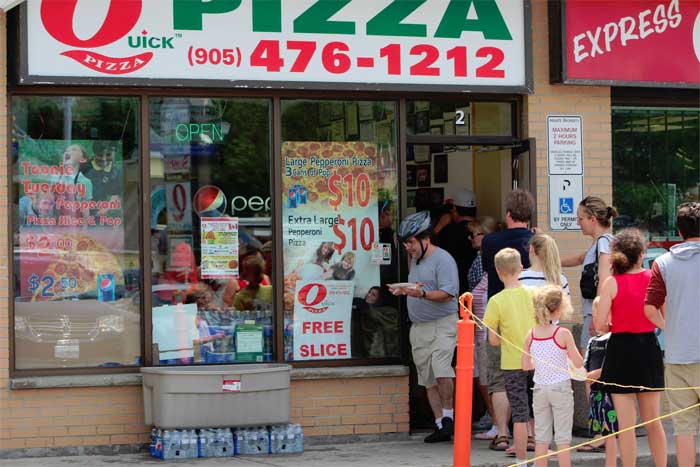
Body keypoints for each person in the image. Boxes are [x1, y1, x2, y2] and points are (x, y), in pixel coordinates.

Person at [595, 229, 666, 467]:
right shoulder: (653, 278)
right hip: (647, 348)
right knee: (653, 420)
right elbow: (664, 316)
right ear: (641, 254)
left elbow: (600, 324)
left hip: (620, 350)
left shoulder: (611, 282)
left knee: (626, 426)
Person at [390, 211, 459, 443]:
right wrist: (404, 290)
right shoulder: (415, 259)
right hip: (419, 326)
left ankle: (449, 416)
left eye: (410, 242)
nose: (407, 247)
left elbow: (448, 293)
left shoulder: (443, 259)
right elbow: (418, 287)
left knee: (441, 368)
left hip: (442, 323)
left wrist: (421, 294)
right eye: (405, 243)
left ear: (425, 239)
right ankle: (441, 425)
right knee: (427, 377)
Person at [645, 202, 700, 467]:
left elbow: (649, 309)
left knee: (683, 430)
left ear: (679, 231)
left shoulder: (663, 263)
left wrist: (672, 327)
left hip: (678, 357)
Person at [480, 189, 535, 452]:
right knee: (531, 383)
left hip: (500, 315)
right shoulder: (537, 241)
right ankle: (532, 436)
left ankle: (502, 433)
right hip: (529, 319)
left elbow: (485, 270)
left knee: (499, 379)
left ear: (508, 214)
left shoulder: (491, 242)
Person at [522, 285, 583, 467]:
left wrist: (540, 363)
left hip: (540, 388)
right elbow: (578, 363)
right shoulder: (563, 333)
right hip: (560, 387)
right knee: (563, 438)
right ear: (558, 309)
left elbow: (525, 366)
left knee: (541, 438)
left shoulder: (530, 334)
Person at [561, 196, 617, 350]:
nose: (578, 223)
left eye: (580, 219)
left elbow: (604, 280)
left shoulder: (604, 243)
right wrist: (551, 260)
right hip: (595, 313)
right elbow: (580, 258)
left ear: (593, 219)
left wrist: (597, 317)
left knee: (588, 359)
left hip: (596, 313)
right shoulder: (599, 243)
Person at [465, 217, 498, 436]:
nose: (470, 239)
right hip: (478, 329)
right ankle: (493, 418)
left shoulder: (488, 264)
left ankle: (497, 423)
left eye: (474, 234)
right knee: (481, 377)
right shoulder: (479, 261)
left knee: (487, 379)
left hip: (486, 330)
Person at [579, 297, 618, 466]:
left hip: (609, 391)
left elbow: (614, 365)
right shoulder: (592, 341)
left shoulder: (614, 339)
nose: (596, 320)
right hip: (595, 390)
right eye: (594, 316)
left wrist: (596, 373)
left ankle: (607, 444)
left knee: (609, 422)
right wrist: (581, 373)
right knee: (596, 417)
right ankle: (597, 437)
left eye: (599, 315)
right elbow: (586, 364)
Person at [435, 189, 478, 294]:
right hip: (480, 291)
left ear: (454, 209)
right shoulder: (484, 229)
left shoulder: (448, 231)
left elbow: (429, 249)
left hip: (454, 288)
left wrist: (439, 226)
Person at [82, 140, 122, 216]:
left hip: (99, 210)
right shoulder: (85, 168)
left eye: (108, 155)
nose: (104, 159)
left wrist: (106, 209)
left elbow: (115, 193)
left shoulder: (115, 172)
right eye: (100, 155)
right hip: (82, 208)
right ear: (94, 154)